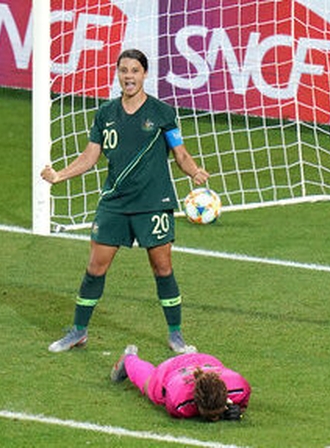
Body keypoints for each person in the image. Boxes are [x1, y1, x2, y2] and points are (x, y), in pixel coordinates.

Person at [41, 48, 210, 353]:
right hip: (115, 204)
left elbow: (180, 153)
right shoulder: (106, 113)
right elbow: (90, 156)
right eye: (123, 70)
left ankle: (176, 335)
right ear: (118, 74)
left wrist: (195, 171)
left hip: (153, 203)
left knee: (162, 268)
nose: (128, 76)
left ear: (144, 74)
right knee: (95, 267)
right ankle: (78, 331)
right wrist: (59, 176)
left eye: (134, 70)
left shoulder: (162, 113)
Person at [110, 345, 251, 421]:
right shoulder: (178, 401)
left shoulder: (239, 387)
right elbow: (181, 410)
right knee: (148, 384)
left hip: (205, 361)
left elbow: (241, 404)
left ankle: (189, 354)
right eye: (210, 414)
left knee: (197, 364)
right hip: (171, 370)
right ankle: (129, 358)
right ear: (196, 401)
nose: (214, 419)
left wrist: (238, 410)